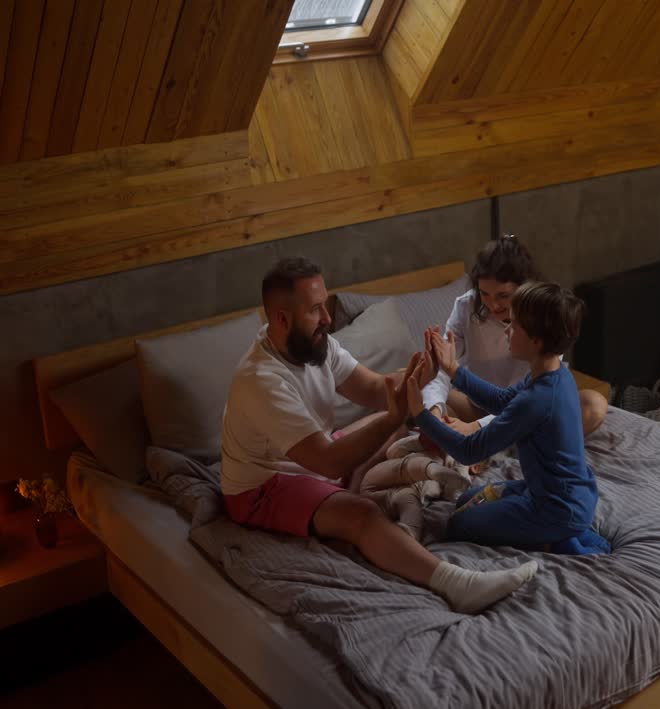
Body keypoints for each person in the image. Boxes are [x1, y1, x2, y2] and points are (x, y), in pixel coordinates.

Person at [219, 257, 537, 613]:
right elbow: (328, 460)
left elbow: (372, 389)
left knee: (399, 423)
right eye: (316, 309)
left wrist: (423, 370)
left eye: (325, 305)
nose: (327, 318)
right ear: (281, 319)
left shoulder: (315, 344)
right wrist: (392, 416)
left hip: (314, 456)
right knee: (361, 515)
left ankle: (352, 491)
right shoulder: (262, 381)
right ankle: (457, 585)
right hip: (266, 485)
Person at [408, 282, 611, 555]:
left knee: (458, 525)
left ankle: (560, 540)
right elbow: (504, 402)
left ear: (536, 340)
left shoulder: (537, 400)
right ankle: (562, 529)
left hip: (555, 509)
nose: (506, 330)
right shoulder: (553, 375)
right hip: (557, 493)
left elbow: (469, 451)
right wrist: (454, 370)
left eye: (514, 326)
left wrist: (420, 415)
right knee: (467, 499)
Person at [422, 235, 608, 437]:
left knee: (594, 404)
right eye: (484, 294)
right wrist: (435, 411)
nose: (493, 306)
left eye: (503, 296)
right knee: (414, 384)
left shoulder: (545, 318)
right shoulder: (467, 306)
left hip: (529, 411)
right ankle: (500, 441)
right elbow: (441, 368)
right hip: (481, 403)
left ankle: (498, 440)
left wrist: (476, 428)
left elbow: (531, 400)